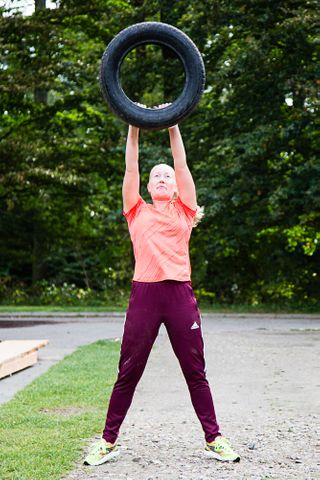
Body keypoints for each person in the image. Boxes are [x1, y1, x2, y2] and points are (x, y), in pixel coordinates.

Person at [84, 114, 240, 466]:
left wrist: (173, 122)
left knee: (194, 371)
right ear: (149, 186)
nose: (162, 178)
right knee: (128, 371)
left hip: (179, 297)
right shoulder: (136, 210)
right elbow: (130, 168)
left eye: (166, 175)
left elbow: (182, 162)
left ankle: (213, 438)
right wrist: (133, 122)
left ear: (175, 185)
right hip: (145, 297)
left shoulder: (185, 210)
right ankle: (107, 441)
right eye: (157, 176)